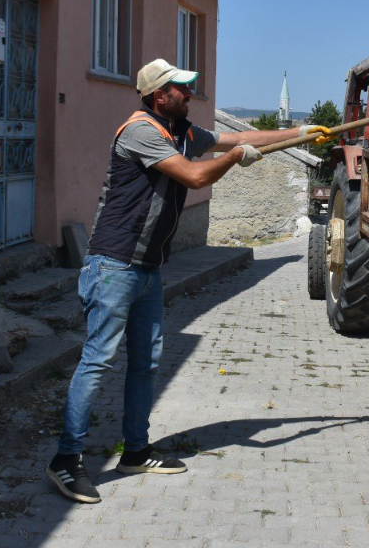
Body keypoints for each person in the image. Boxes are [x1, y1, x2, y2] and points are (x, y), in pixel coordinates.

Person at [47, 58, 331, 503]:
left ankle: (136, 451)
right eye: (182, 88)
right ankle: (66, 460)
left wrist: (299, 133)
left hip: (147, 268)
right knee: (98, 361)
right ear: (161, 96)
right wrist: (236, 160)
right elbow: (198, 174)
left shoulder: (183, 131)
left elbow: (239, 137)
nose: (190, 93)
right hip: (114, 265)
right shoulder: (141, 130)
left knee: (146, 362)